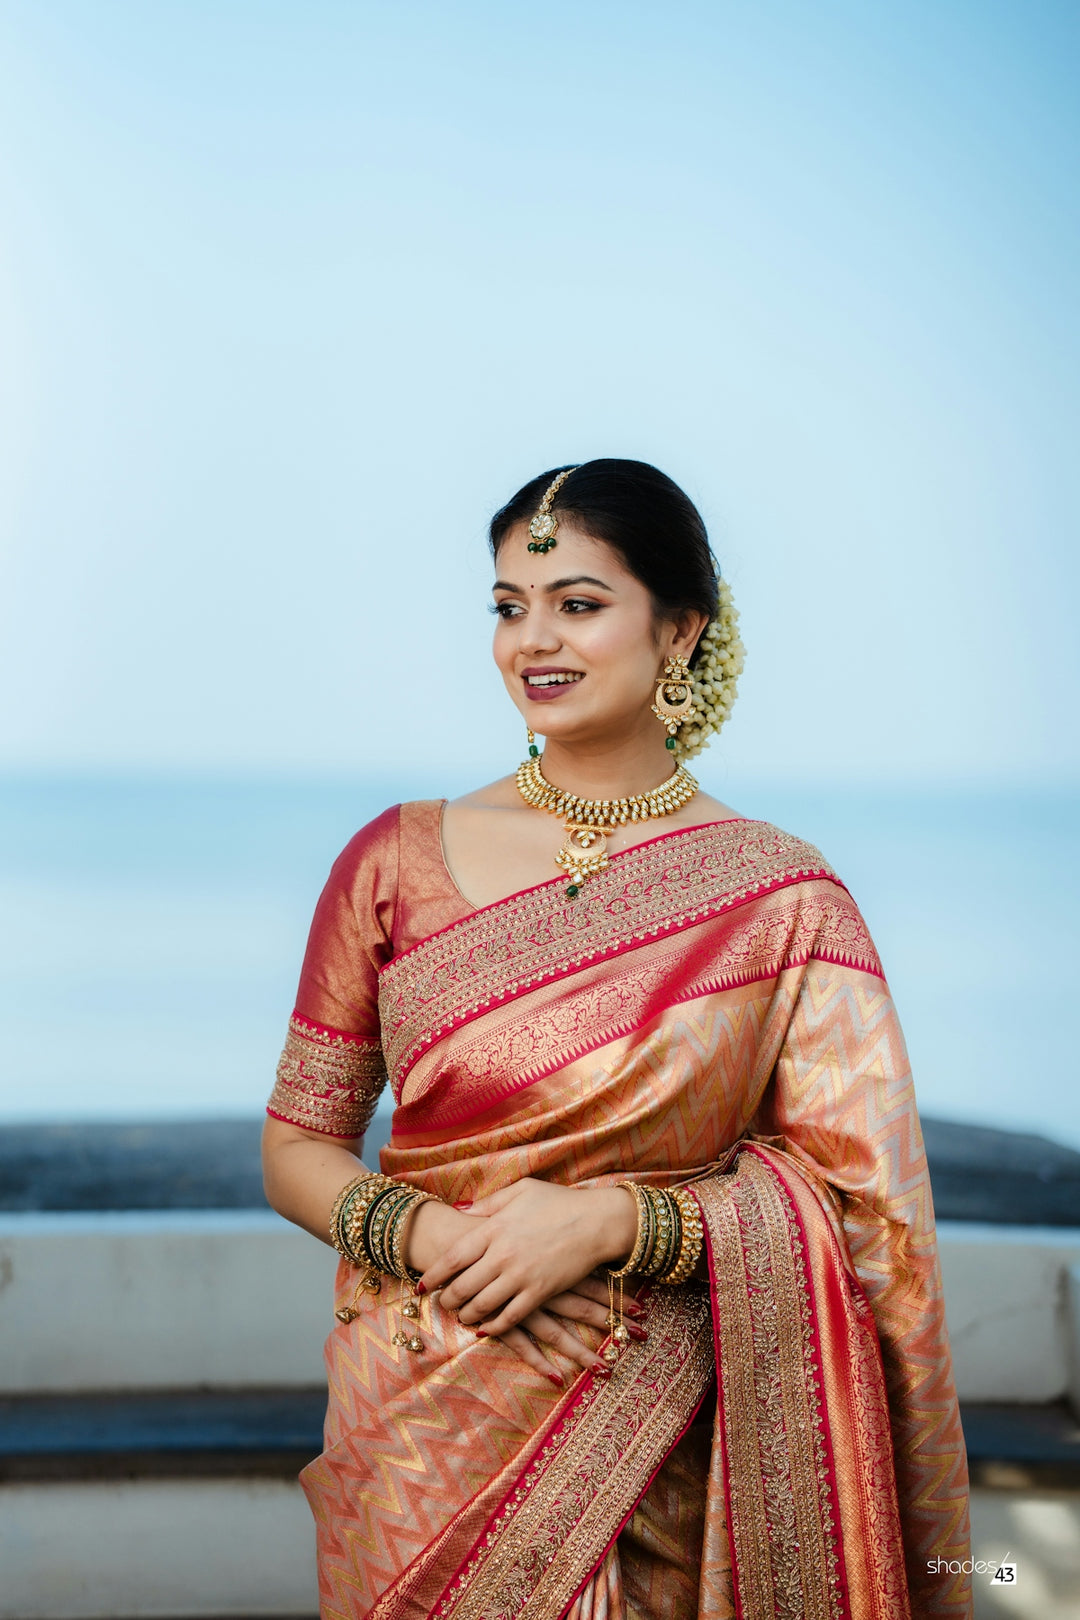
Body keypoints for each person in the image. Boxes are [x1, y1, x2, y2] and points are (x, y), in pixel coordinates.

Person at [262, 459, 973, 1620]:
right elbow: (296, 1145)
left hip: (674, 1447)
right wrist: (442, 1238)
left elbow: (865, 1218)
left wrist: (609, 1222)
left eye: (578, 604)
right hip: (422, 1427)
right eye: (508, 606)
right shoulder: (389, 863)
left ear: (680, 629)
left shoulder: (784, 902)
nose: (531, 640)